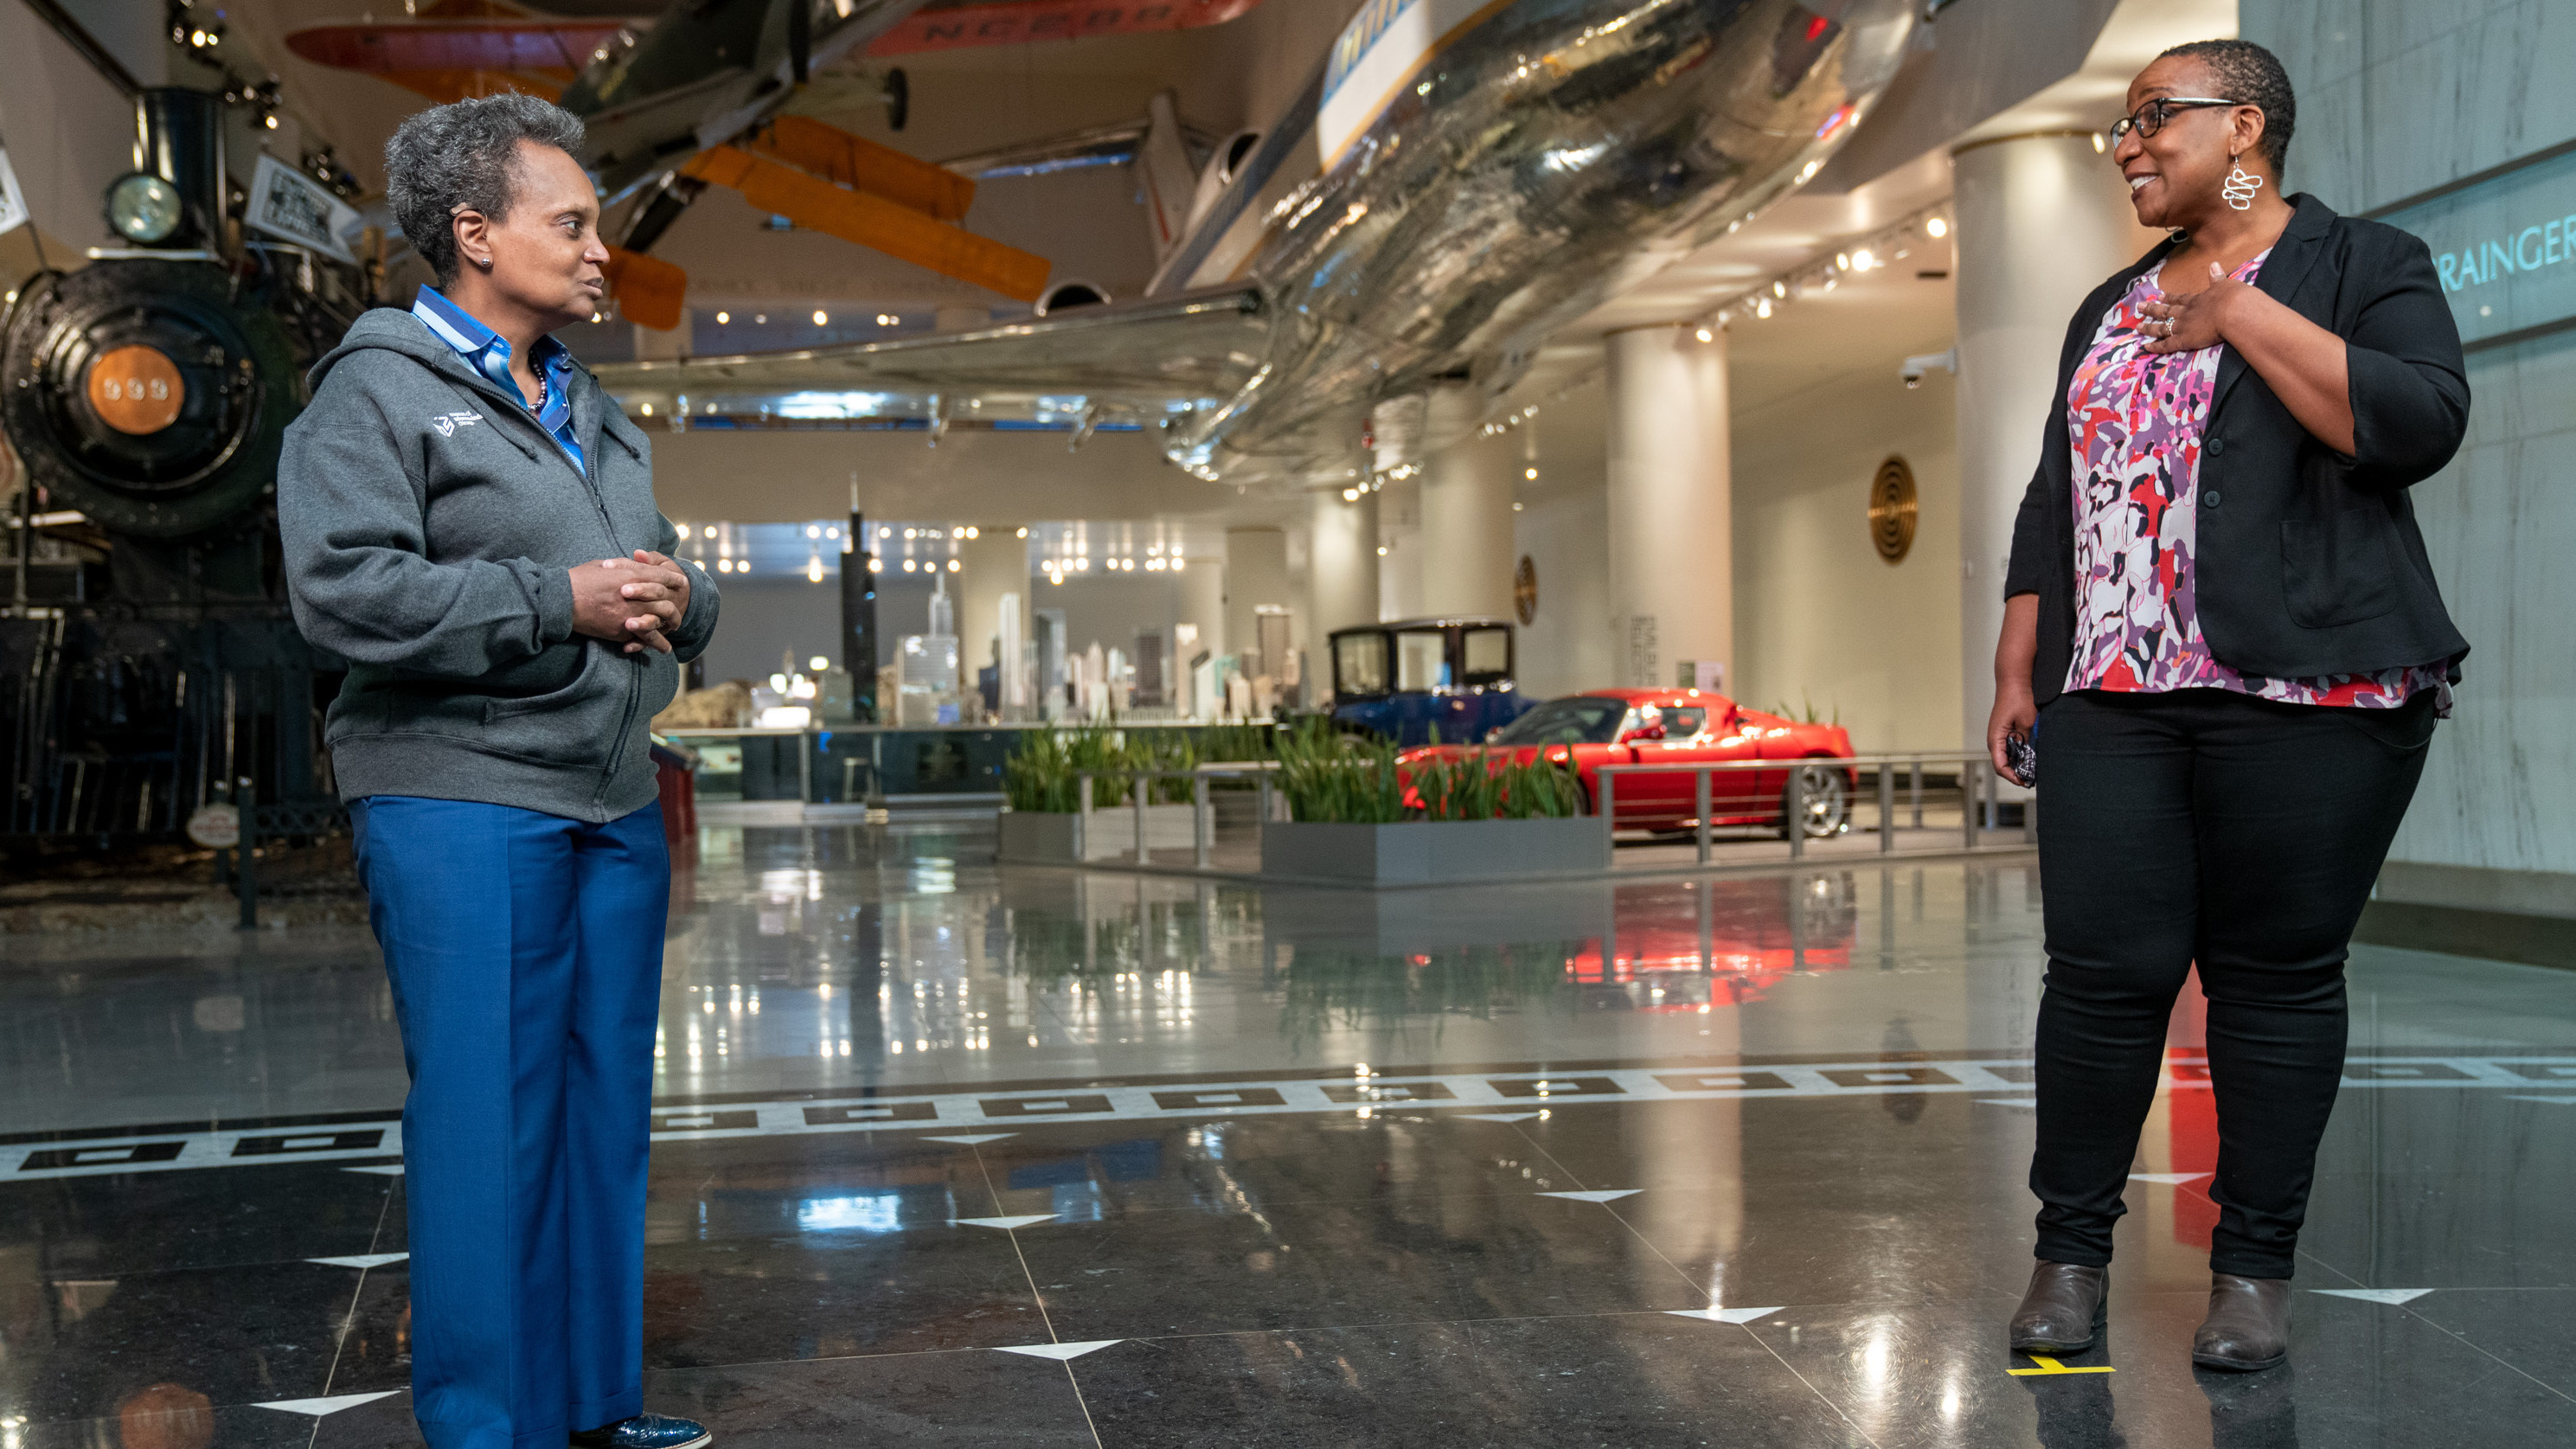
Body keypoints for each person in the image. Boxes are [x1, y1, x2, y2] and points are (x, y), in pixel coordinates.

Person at [1987, 39, 2467, 1372]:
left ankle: (2250, 1272)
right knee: (2098, 977)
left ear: (2242, 125)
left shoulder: (2365, 264)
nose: (2129, 145)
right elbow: (2053, 493)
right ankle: (2066, 1265)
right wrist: (2019, 656)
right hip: (2114, 689)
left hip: (2308, 688)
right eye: (2119, 128)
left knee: (2270, 981)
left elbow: (2417, 421)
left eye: (2152, 118)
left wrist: (2238, 314)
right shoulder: (2104, 304)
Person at [279, 93, 720, 1449]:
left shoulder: (596, 408)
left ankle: (590, 1402)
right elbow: (342, 594)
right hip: (458, 792)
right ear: (474, 233)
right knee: (487, 1119)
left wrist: (678, 595)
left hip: (609, 793)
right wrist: (558, 600)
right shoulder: (374, 393)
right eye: (572, 222)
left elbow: (659, 583)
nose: (601, 250)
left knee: (599, 1113)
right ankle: (489, 1427)